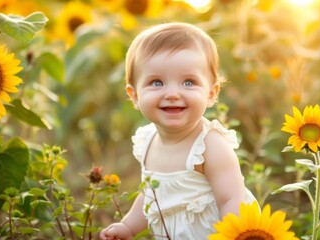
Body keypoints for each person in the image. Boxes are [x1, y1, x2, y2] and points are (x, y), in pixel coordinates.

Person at [100, 22, 257, 240]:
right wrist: (128, 226)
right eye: (156, 82)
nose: (173, 93)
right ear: (134, 95)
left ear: (211, 94)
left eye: (189, 82)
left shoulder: (210, 145)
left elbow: (231, 199)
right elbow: (150, 195)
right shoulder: (147, 141)